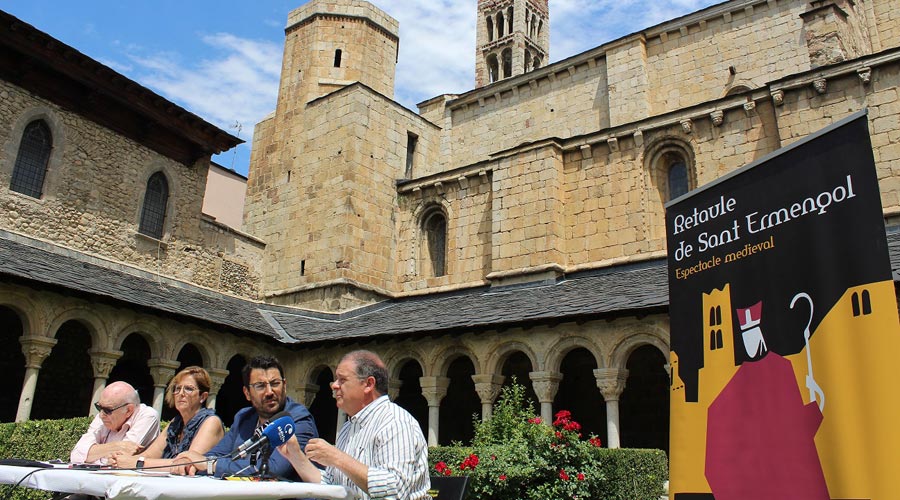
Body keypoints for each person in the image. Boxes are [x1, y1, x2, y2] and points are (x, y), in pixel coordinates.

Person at [278, 350, 430, 500]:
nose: (334, 386)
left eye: (342, 380)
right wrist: (295, 456)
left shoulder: (395, 422)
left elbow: (395, 489)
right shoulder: (348, 428)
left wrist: (337, 457)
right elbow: (332, 486)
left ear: (368, 384)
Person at [175, 355, 318, 479]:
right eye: (260, 386)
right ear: (247, 393)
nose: (269, 392)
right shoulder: (244, 417)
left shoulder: (297, 419)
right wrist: (194, 462)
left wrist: (210, 465)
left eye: (275, 384)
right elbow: (219, 454)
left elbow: (273, 469)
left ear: (285, 385)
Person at [107, 366, 224, 472]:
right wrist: (120, 459)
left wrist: (136, 463)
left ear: (202, 396)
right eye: (177, 389)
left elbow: (187, 465)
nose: (181, 393)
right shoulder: (176, 423)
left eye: (188, 389)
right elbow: (150, 454)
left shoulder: (211, 422)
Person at [69, 381, 160, 464]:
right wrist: (117, 446)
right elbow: (76, 455)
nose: (101, 415)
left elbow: (120, 459)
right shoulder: (103, 416)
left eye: (107, 410)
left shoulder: (148, 416)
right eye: (99, 408)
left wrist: (94, 454)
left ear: (129, 410)